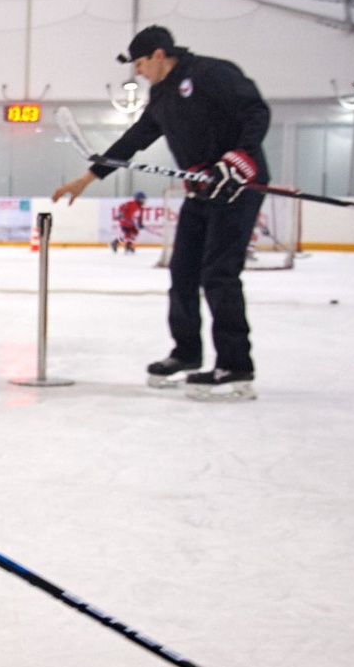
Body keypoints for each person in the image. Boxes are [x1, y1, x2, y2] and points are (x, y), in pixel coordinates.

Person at [52, 25, 269, 401]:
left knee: (218, 274)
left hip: (237, 187)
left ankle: (235, 364)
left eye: (139, 63)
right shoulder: (163, 95)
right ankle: (186, 353)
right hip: (200, 191)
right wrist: (89, 177)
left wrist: (240, 158)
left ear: (157, 54)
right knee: (183, 271)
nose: (137, 72)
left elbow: (256, 110)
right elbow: (136, 138)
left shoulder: (211, 73)